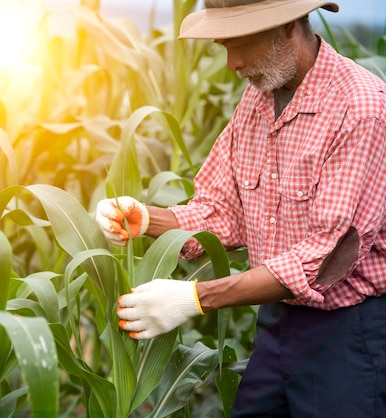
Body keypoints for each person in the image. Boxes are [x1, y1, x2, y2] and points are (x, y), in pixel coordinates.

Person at [94, 0, 386, 416]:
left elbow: (326, 258)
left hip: (346, 335)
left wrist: (195, 298)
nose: (231, 63)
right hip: (276, 322)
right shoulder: (257, 100)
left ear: (287, 27)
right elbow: (221, 210)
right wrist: (149, 220)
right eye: (223, 46)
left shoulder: (362, 109)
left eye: (240, 44)